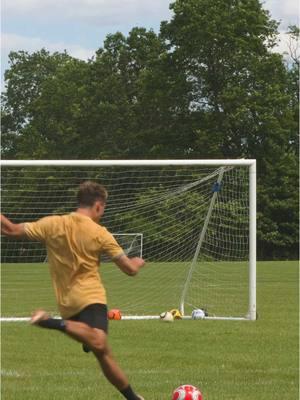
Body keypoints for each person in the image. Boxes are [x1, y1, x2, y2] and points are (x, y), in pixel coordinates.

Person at [1, 181, 145, 400]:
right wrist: (139, 261)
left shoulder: (52, 223)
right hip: (91, 298)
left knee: (101, 349)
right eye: (103, 209)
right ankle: (50, 321)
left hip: (67, 303)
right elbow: (130, 270)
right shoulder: (100, 233)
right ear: (98, 206)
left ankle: (134, 398)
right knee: (98, 341)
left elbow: (9, 229)